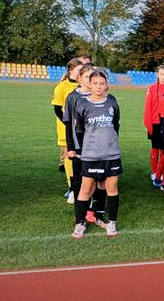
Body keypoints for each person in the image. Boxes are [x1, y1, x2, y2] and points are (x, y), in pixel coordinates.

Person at [70, 70, 121, 239]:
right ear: (90, 84)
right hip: (90, 156)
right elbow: (79, 130)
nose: (99, 86)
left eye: (102, 83)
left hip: (111, 154)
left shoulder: (112, 103)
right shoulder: (83, 105)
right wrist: (82, 151)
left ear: (106, 84)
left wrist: (110, 143)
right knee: (85, 189)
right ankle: (80, 223)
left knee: (111, 188)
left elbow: (115, 126)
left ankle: (111, 223)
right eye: (95, 83)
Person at [64, 64, 104, 222]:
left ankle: (93, 209)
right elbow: (68, 123)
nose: (90, 80)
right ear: (79, 78)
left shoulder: (100, 96)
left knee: (96, 178)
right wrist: (70, 146)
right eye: (87, 77)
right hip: (79, 145)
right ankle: (79, 212)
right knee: (79, 178)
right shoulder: (73, 97)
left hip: (96, 146)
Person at [52, 58, 83, 202]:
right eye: (78, 70)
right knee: (69, 155)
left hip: (82, 128)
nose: (81, 73)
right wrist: (68, 123)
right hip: (66, 128)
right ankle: (72, 187)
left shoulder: (84, 86)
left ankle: (83, 184)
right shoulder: (61, 87)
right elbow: (57, 109)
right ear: (71, 71)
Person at [143, 65, 164, 187]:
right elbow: (148, 107)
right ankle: (154, 172)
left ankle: (162, 172)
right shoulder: (152, 88)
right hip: (155, 122)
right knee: (155, 148)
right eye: (162, 74)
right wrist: (148, 124)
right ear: (157, 75)